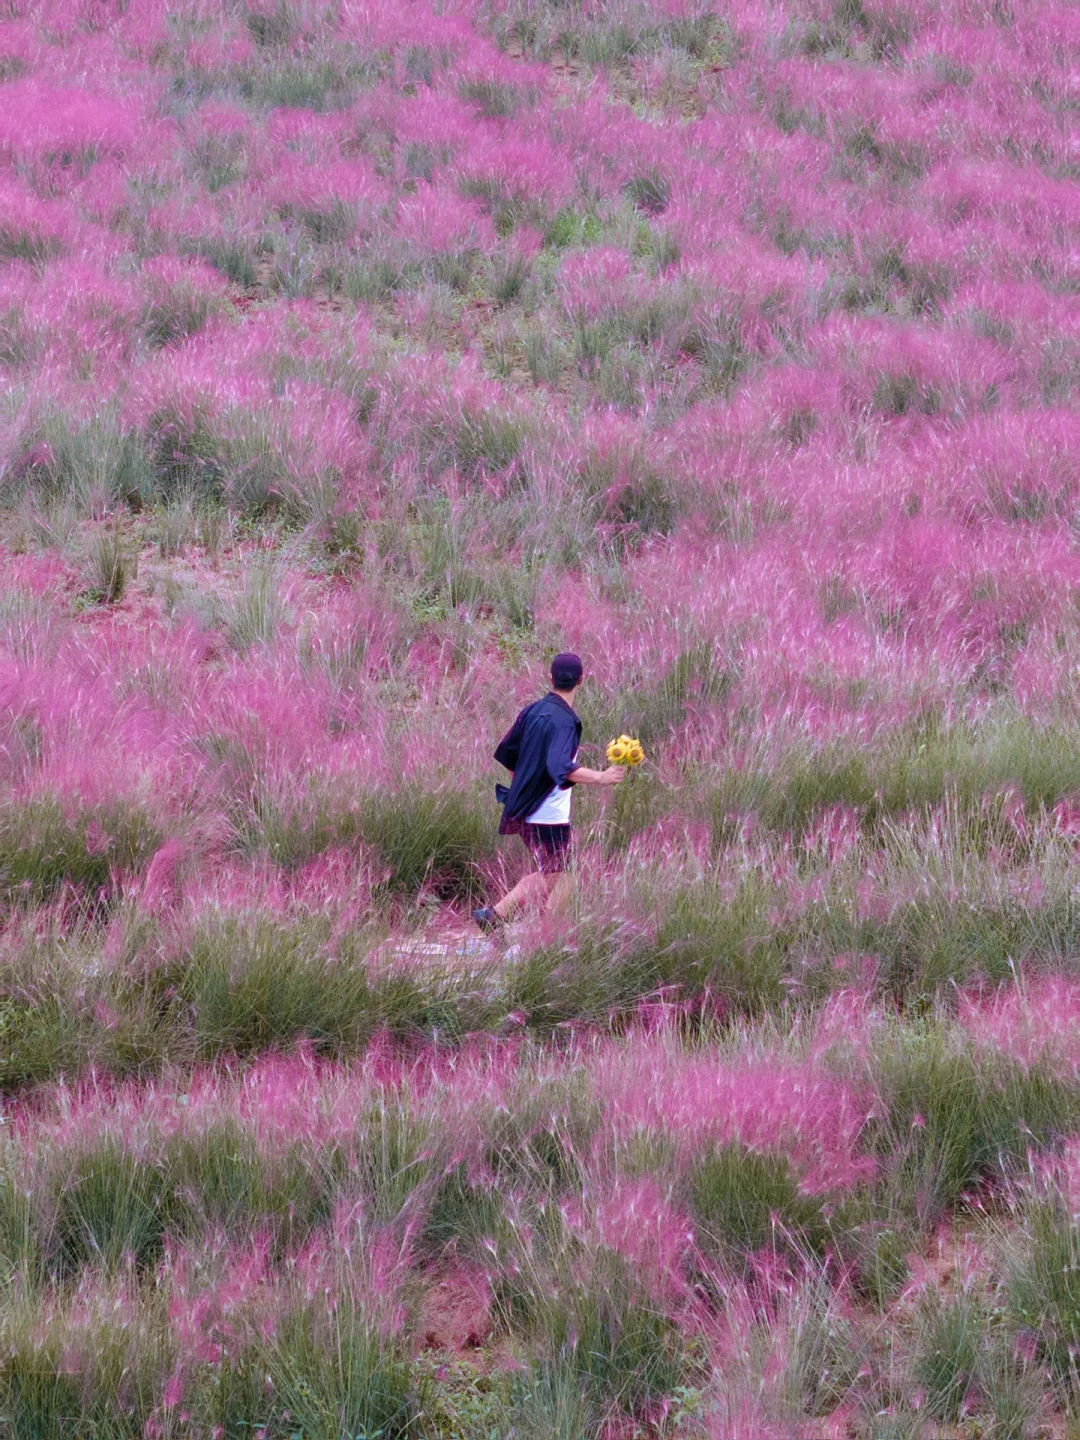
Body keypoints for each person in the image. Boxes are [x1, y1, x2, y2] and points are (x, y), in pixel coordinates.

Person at [473, 652, 624, 932]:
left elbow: (508, 755)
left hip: (526, 809)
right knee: (565, 878)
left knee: (553, 874)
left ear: (550, 678)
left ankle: (495, 917)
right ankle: (542, 935)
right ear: (582, 679)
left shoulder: (532, 711)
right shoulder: (565, 721)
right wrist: (602, 777)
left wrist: (526, 784)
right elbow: (560, 767)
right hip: (548, 814)